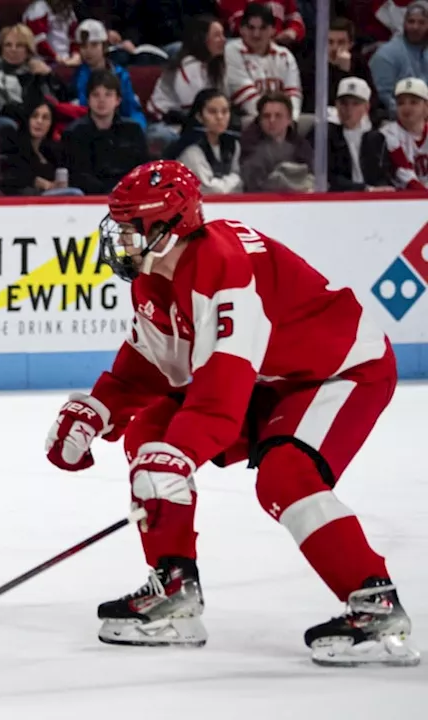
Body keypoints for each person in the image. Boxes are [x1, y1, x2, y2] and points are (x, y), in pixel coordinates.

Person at [44, 159, 419, 668]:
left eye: (129, 227)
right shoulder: (153, 278)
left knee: (286, 476)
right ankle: (174, 590)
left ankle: (375, 605)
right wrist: (99, 409)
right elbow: (154, 369)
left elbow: (220, 397)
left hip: (338, 371)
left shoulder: (225, 269)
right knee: (152, 432)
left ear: (167, 228)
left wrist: (179, 455)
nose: (117, 237)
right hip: (268, 376)